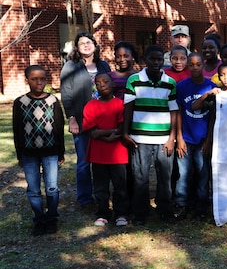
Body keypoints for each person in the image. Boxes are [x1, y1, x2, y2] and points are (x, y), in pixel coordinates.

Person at [123, 45, 179, 225]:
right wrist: (125, 132)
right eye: (152, 59)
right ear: (145, 60)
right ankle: (140, 212)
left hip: (164, 139)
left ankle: (165, 210)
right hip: (140, 139)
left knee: (165, 177)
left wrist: (172, 138)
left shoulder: (170, 83)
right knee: (140, 176)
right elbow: (128, 108)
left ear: (163, 61)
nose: (156, 63)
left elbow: (174, 112)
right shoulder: (134, 80)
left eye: (159, 59)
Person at [60, 31, 111, 207]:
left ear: (95, 45)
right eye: (82, 43)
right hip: (82, 122)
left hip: (104, 121)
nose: (86, 45)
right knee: (83, 162)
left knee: (102, 161)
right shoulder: (70, 66)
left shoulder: (104, 66)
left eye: (89, 42)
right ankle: (85, 198)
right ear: (77, 47)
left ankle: (102, 194)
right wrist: (72, 119)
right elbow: (66, 94)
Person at [13, 65, 65, 235]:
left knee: (52, 187)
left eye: (42, 79)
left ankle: (51, 219)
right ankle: (39, 219)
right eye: (34, 79)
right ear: (27, 80)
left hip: (50, 152)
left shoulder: (52, 101)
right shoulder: (20, 103)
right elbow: (17, 130)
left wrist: (61, 152)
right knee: (33, 189)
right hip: (29, 154)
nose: (39, 82)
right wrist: (20, 154)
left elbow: (58, 127)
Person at [82, 74, 130, 227]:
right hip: (99, 153)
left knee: (120, 185)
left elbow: (122, 127)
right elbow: (92, 131)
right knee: (100, 186)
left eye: (105, 81)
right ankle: (103, 213)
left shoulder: (120, 104)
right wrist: (110, 133)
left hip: (117, 153)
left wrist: (108, 133)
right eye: (98, 83)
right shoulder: (91, 105)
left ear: (113, 84)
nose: (102, 85)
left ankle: (121, 213)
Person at [174, 53, 217, 220]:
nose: (195, 68)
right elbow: (178, 112)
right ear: (188, 66)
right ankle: (182, 204)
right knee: (183, 173)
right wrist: (179, 138)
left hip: (202, 139)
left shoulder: (211, 86)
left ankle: (201, 207)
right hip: (185, 137)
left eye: (198, 64)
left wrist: (209, 139)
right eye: (191, 65)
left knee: (202, 173)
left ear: (202, 65)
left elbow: (213, 116)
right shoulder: (182, 86)